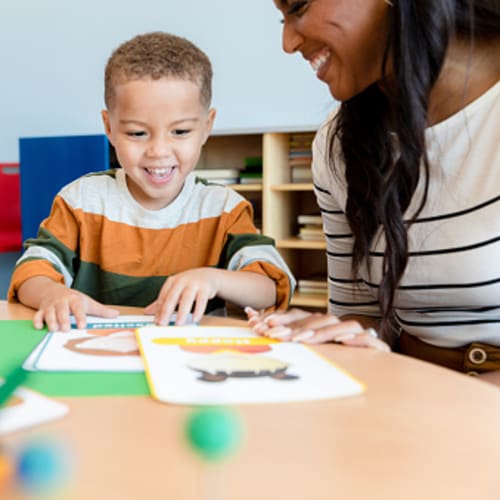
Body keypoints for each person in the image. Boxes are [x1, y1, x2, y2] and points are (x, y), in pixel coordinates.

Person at [247, 1, 500, 383]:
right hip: (416, 397)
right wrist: (334, 334)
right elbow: (363, 313)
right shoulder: (337, 145)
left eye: (298, 7)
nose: (288, 41)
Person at [8, 31, 295, 332]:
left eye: (180, 132)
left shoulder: (223, 209)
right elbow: (30, 272)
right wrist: (53, 294)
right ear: (109, 126)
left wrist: (213, 279)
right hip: (97, 352)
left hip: (187, 358)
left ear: (207, 126)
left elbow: (270, 287)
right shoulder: (81, 201)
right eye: (137, 133)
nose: (158, 151)